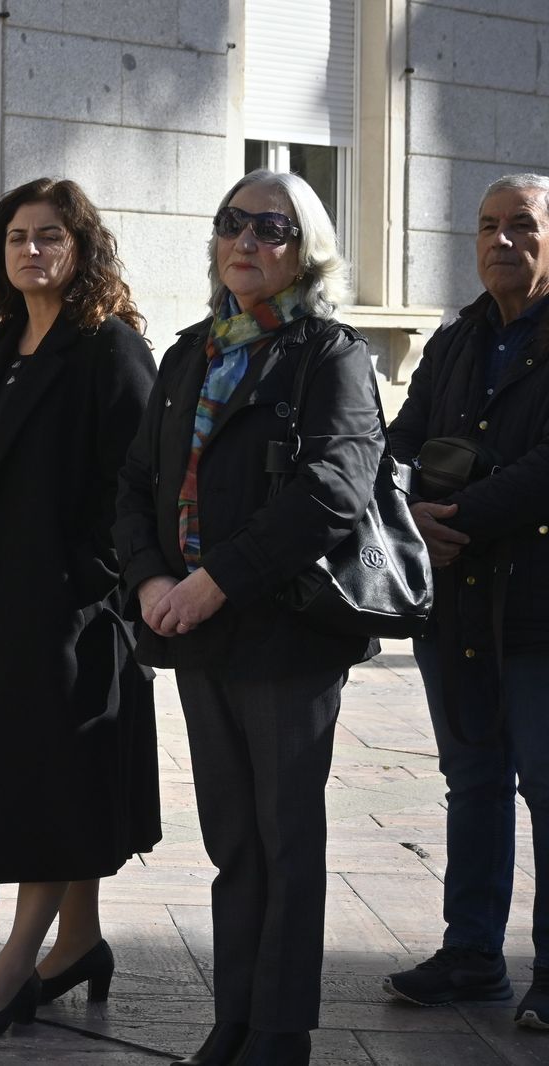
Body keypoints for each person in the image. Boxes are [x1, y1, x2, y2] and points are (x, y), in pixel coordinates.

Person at [115, 170, 382, 1066]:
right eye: (233, 223)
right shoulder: (191, 350)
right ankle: (233, 1015)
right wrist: (152, 581)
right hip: (196, 628)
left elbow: (333, 493)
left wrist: (214, 580)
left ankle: (279, 1031)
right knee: (233, 841)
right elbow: (135, 486)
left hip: (284, 630)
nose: (247, 242)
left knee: (285, 838)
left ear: (305, 249)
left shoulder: (329, 354)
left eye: (270, 227)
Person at [0, 178, 160, 1038]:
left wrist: (84, 578)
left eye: (50, 236)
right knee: (54, 781)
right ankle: (82, 942)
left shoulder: (109, 349)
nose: (31, 249)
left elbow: (135, 483)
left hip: (70, 613)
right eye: (17, 237)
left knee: (46, 787)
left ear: (81, 246)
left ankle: (19, 960)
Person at [382, 173, 549, 1029]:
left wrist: (460, 519)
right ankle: (473, 954)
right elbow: (399, 445)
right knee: (472, 779)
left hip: (535, 610)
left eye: (523, 226)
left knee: (546, 786)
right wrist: (411, 514)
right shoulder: (454, 341)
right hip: (454, 604)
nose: (502, 241)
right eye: (488, 227)